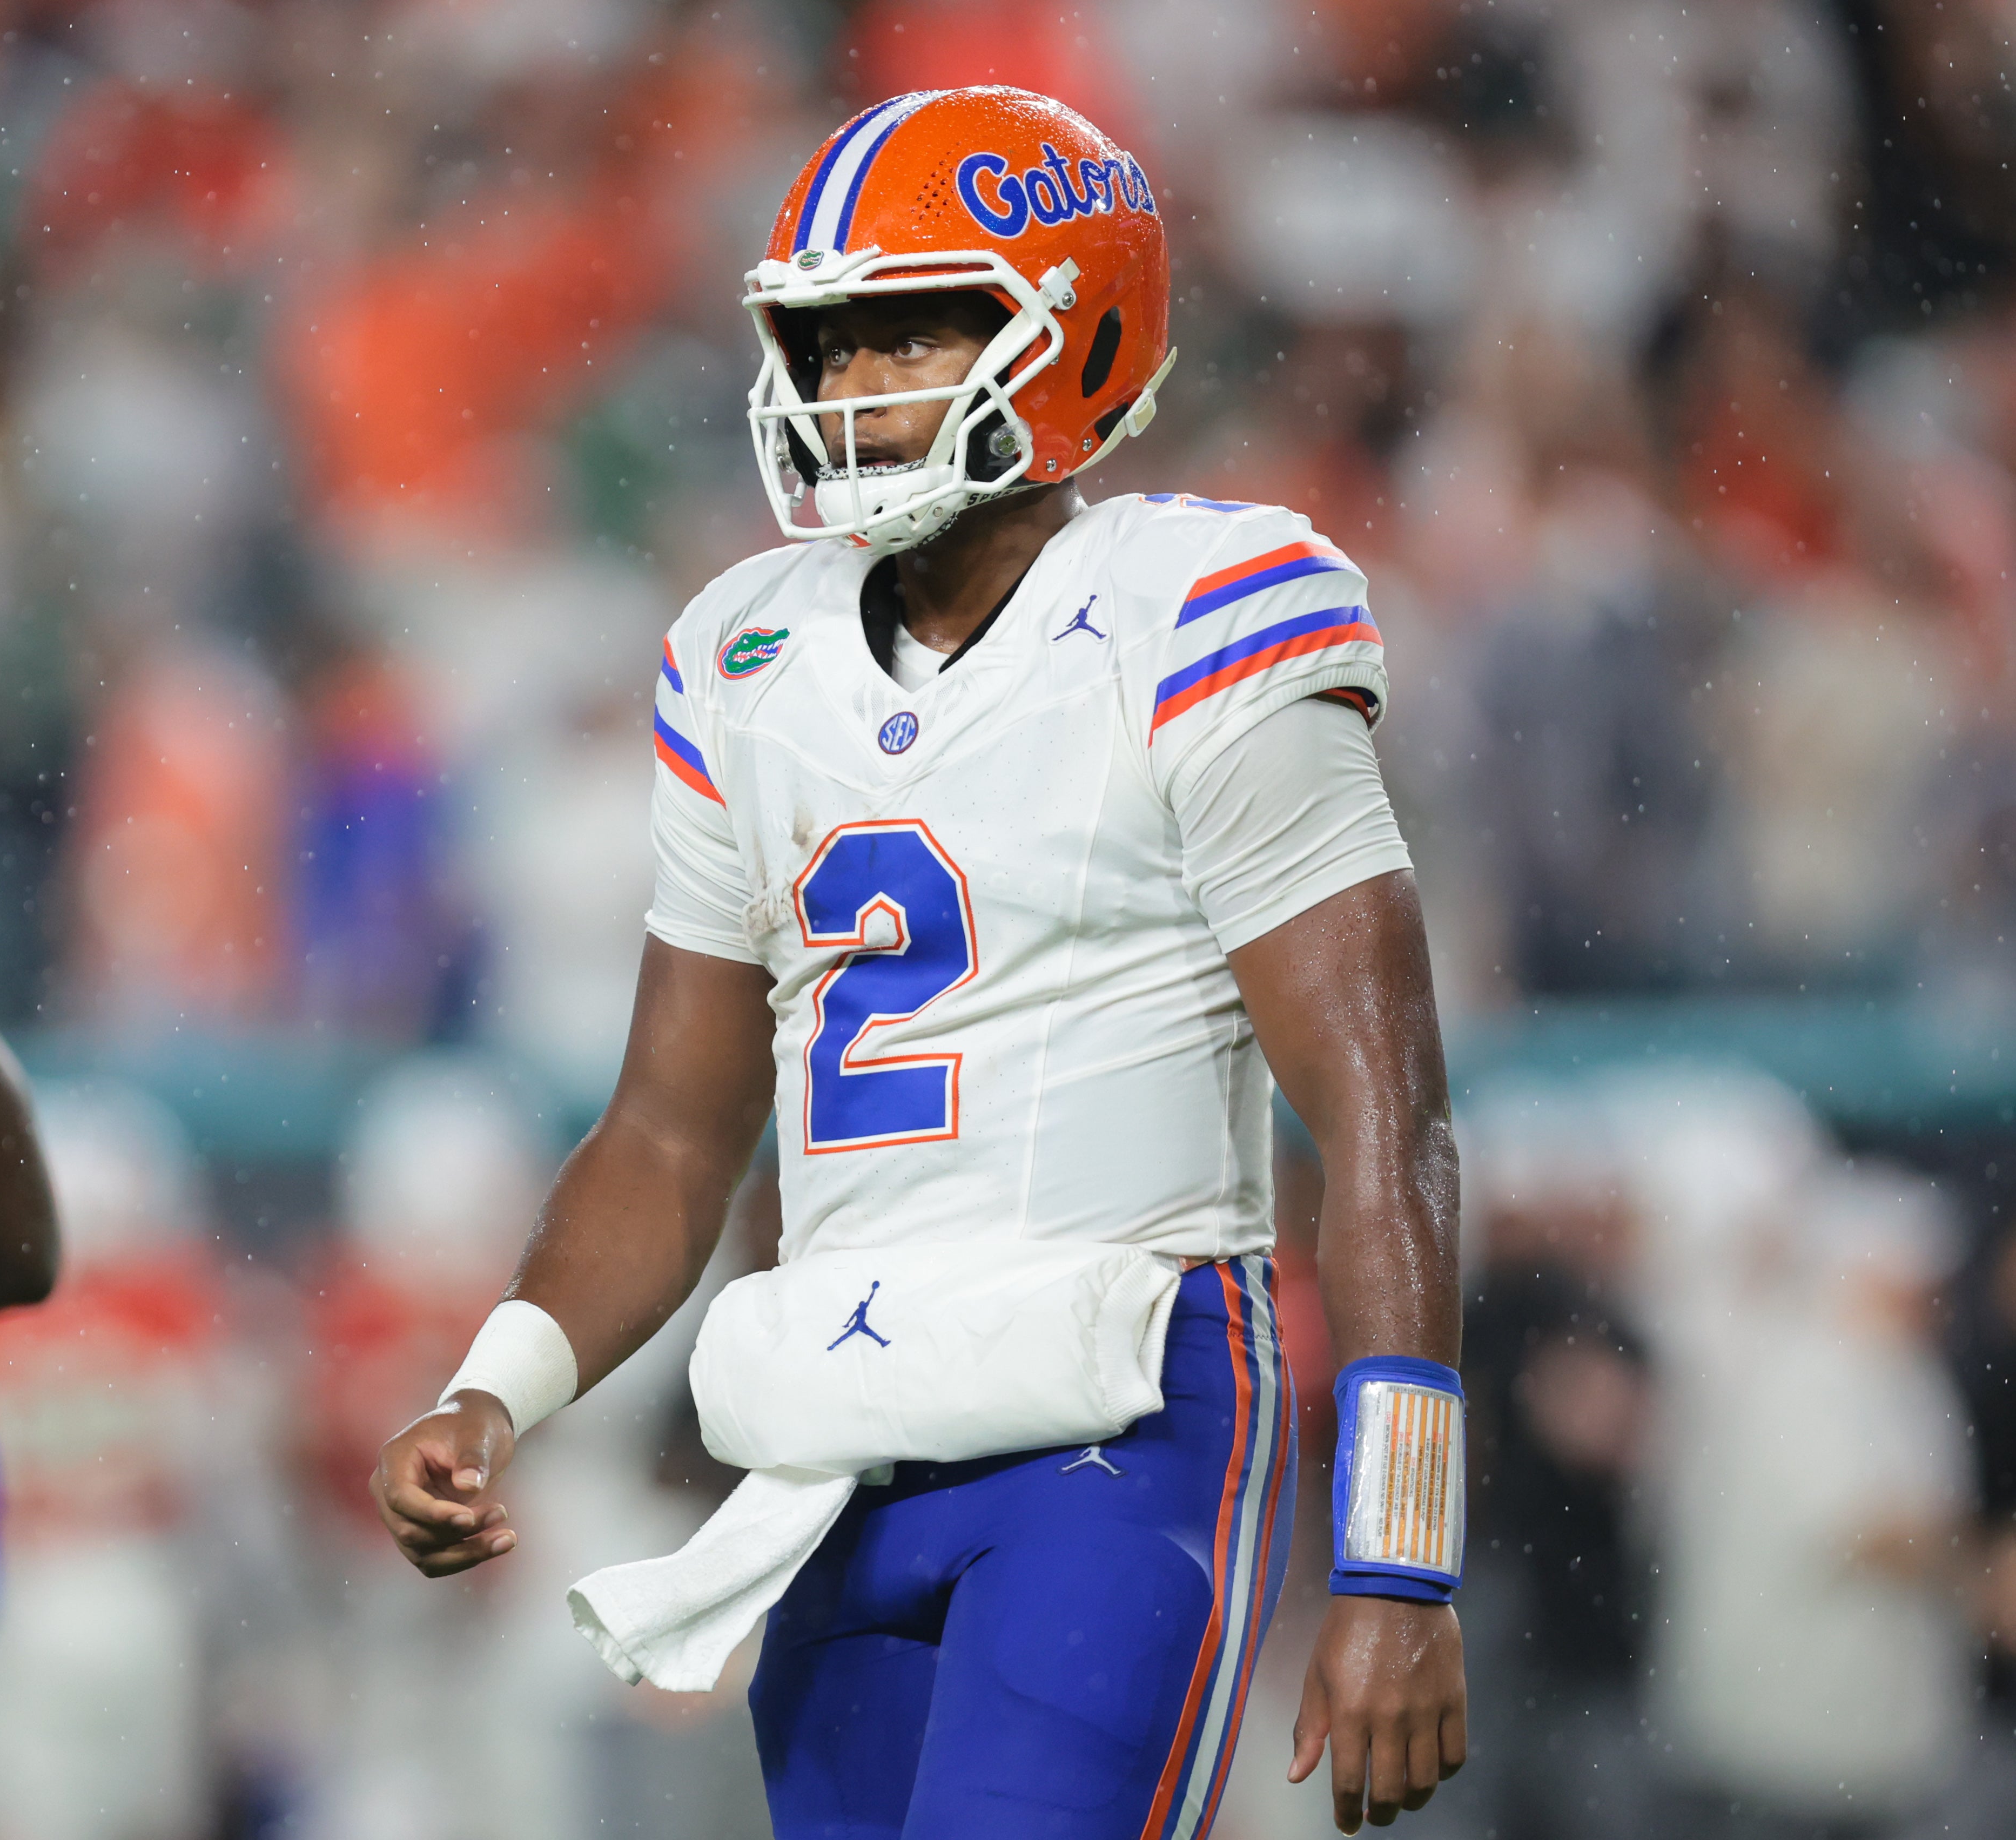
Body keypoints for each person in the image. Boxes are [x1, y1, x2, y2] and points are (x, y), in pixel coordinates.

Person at [371, 85, 1468, 1838]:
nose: (851, 385)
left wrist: (1401, 1553)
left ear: (1078, 334)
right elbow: (669, 1133)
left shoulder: (1206, 610)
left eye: (909, 331)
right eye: (826, 342)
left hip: (1117, 1415)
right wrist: (495, 1389)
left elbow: (1382, 1112)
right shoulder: (744, 654)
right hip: (842, 1438)